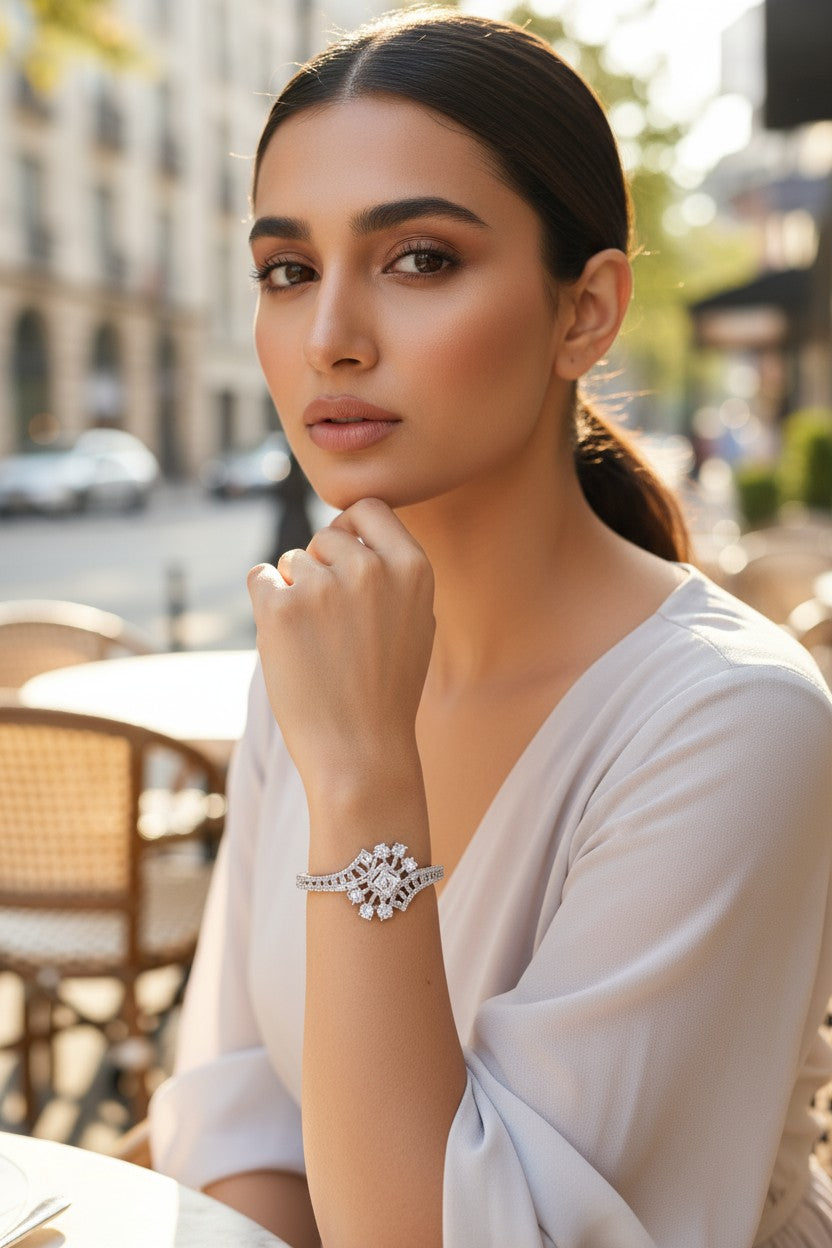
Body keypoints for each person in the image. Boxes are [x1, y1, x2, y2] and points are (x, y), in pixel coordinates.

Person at [148, 10, 832, 1247]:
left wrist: (362, 780)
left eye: (418, 258)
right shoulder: (314, 651)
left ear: (585, 311)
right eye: (288, 270)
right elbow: (243, 1116)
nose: (329, 338)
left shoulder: (733, 721)